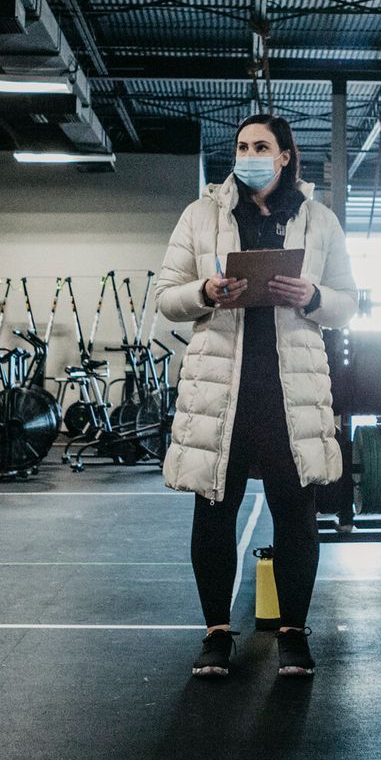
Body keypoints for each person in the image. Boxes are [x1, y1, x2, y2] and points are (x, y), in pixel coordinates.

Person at [155, 113, 358, 679]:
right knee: (214, 511)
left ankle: (293, 633)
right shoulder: (201, 215)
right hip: (222, 390)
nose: (250, 154)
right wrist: (206, 290)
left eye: (262, 146)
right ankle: (217, 633)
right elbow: (166, 296)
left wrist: (313, 294)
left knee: (295, 512)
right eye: (243, 146)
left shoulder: (319, 222)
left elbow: (348, 301)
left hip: (291, 391)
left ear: (286, 155)